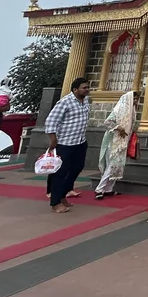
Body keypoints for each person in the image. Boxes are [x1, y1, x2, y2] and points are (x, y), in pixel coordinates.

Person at [43, 77, 91, 214]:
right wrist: (53, 140)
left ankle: (63, 193)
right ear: (75, 89)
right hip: (65, 143)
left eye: (87, 87)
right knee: (60, 172)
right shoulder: (65, 102)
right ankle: (55, 202)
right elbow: (51, 121)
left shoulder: (86, 100)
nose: (86, 90)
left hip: (80, 141)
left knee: (77, 167)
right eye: (84, 88)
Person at [95, 90, 138, 200]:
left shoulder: (132, 111)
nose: (136, 101)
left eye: (137, 99)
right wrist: (119, 128)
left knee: (118, 165)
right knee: (112, 166)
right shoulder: (119, 110)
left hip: (123, 141)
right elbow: (108, 122)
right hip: (114, 142)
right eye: (134, 99)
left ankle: (109, 189)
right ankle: (99, 189)